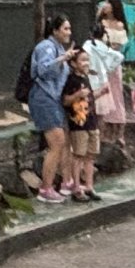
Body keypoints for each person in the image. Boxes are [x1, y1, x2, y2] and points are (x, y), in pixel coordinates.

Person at [26, 17, 72, 198]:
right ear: (55, 30)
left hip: (53, 98)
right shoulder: (46, 47)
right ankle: (46, 188)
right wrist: (61, 59)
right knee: (57, 142)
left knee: (62, 141)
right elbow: (43, 71)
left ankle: (63, 182)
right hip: (43, 97)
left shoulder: (59, 48)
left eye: (69, 29)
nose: (69, 32)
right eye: (65, 28)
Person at [88, 11, 133, 164]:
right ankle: (104, 138)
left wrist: (92, 70)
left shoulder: (89, 46)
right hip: (106, 78)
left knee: (98, 111)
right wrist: (108, 67)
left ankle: (101, 139)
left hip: (98, 81)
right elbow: (119, 56)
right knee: (102, 111)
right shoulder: (103, 48)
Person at [60, 45, 100, 201]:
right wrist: (77, 94)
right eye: (83, 60)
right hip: (78, 124)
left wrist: (101, 92)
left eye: (87, 60)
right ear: (73, 63)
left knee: (91, 155)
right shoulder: (71, 80)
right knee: (78, 155)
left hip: (91, 121)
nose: (86, 63)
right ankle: (76, 186)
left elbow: (89, 97)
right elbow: (65, 100)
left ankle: (89, 185)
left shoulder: (86, 78)